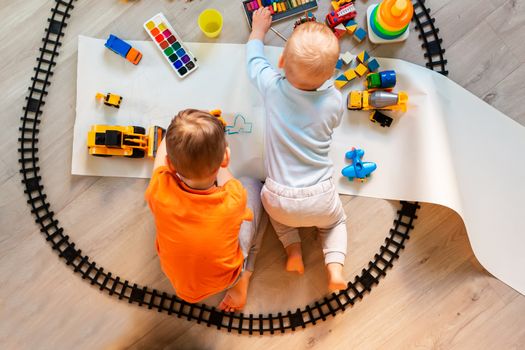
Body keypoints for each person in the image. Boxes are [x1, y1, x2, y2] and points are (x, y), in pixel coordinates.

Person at [247, 8, 348, 291]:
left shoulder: (273, 88)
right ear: (330, 75)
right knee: (335, 223)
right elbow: (334, 121)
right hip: (321, 195)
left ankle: (293, 251)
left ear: (280, 62)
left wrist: (258, 31)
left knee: (281, 221)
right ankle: (335, 269)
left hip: (279, 196)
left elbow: (253, 61)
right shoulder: (334, 100)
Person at [145, 109, 267, 311]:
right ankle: (243, 277)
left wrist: (191, 140)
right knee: (253, 186)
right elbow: (227, 179)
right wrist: (212, 149)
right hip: (226, 278)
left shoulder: (159, 188)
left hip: (178, 278)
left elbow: (163, 150)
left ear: (170, 165)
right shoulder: (234, 198)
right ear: (226, 158)